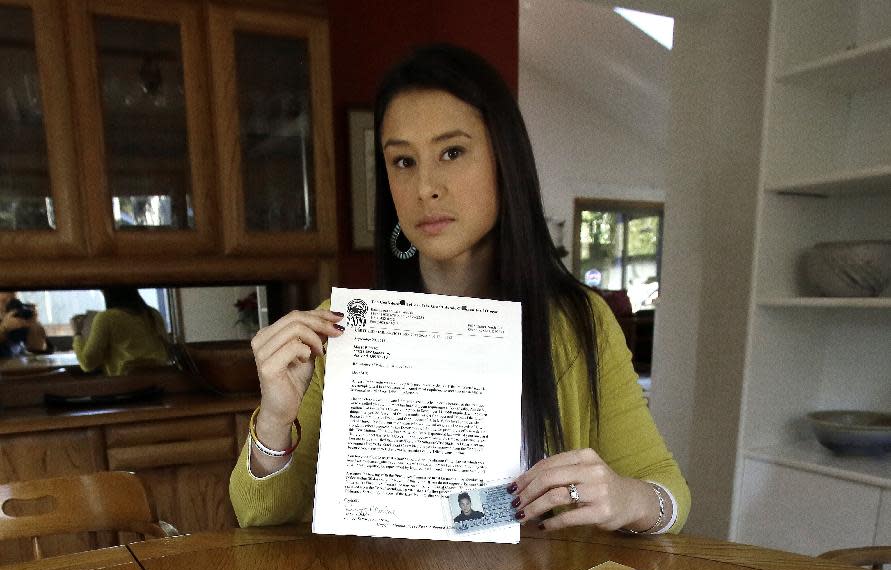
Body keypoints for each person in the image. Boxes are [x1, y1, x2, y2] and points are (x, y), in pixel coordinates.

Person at [229, 44, 690, 535]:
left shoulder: (578, 322)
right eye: (403, 161)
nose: (426, 186)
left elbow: (668, 492)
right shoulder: (341, 331)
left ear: (503, 159)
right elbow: (259, 515)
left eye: (452, 152)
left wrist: (627, 498)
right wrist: (277, 418)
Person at [72, 285, 171, 376]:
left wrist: (77, 333)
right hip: (159, 382)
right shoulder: (153, 314)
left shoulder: (107, 318)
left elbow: (87, 364)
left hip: (126, 386)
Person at [0, 290, 50, 357]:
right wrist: (3, 329)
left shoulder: (19, 313)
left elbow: (38, 349)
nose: (8, 296)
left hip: (18, 363)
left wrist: (34, 327)